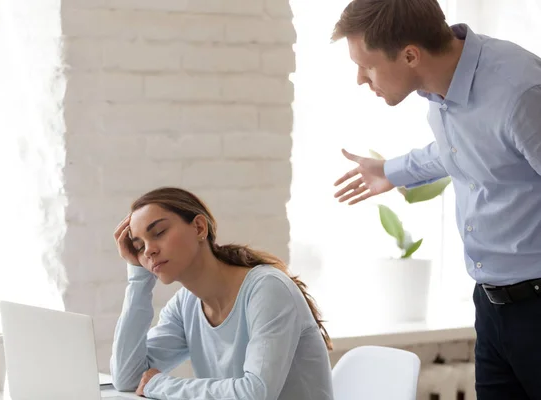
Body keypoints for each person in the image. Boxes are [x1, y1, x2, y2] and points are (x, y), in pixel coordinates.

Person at [331, 0, 541, 399]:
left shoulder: (519, 91)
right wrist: (390, 171)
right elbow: (467, 148)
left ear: (410, 54)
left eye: (367, 65)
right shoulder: (444, 90)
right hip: (492, 306)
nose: (361, 78)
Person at [109, 187, 334, 400]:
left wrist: (158, 384)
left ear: (199, 228)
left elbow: (256, 392)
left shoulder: (268, 289)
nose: (149, 250)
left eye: (159, 232)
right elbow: (128, 378)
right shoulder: (184, 305)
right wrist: (139, 277)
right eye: (139, 247)